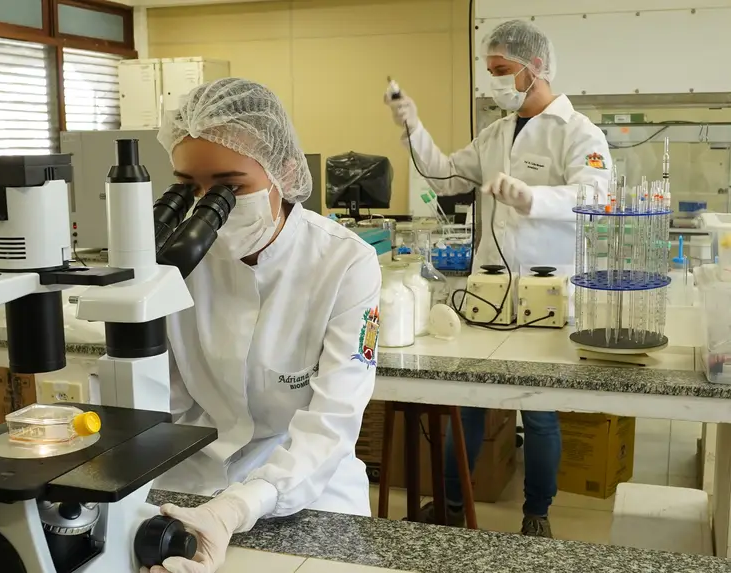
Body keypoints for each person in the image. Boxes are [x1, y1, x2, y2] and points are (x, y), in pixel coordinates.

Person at [384, 20, 612, 538]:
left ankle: (537, 513)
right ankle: (451, 506)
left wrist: (534, 198)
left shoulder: (578, 132)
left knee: (540, 412)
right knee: (466, 401)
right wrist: (413, 130)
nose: (494, 83)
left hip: (547, 290)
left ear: (535, 69)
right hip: (487, 292)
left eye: (502, 71)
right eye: (489, 72)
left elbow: (598, 198)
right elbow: (444, 175)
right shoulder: (494, 133)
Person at [146, 78, 382, 573]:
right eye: (190, 189)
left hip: (307, 485)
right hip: (189, 481)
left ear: (284, 170)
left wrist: (237, 506)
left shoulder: (344, 262)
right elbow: (158, 403)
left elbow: (333, 418)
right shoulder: (173, 260)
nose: (210, 204)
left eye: (231, 187)